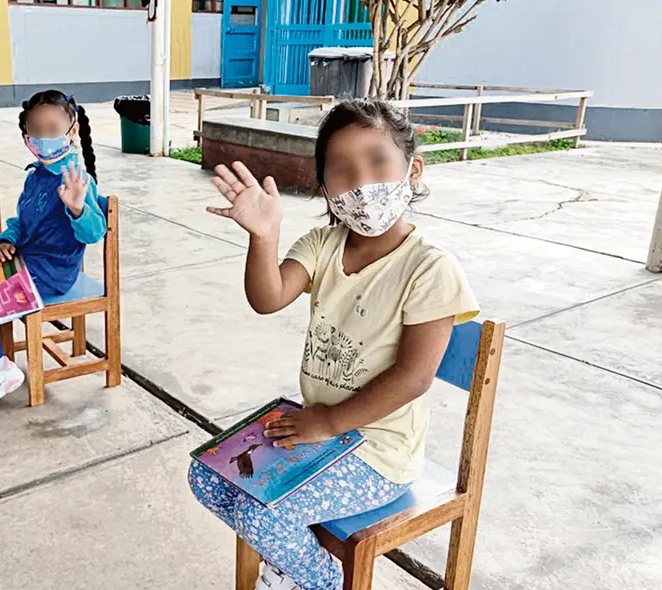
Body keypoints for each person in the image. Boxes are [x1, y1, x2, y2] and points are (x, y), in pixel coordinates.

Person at [190, 99, 479, 590]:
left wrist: (327, 422)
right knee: (207, 477)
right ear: (325, 187)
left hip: (379, 453)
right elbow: (267, 298)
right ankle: (296, 566)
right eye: (342, 169)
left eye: (378, 161)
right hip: (319, 432)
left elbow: (414, 377)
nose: (361, 181)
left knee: (262, 517)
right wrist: (264, 236)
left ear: (412, 171)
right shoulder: (322, 245)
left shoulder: (430, 268)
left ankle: (320, 581)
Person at [0, 89, 106, 412]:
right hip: (25, 260)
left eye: (53, 130)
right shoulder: (36, 175)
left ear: (72, 131)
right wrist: (5, 241)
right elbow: (20, 222)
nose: (44, 138)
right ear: (26, 136)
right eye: (36, 131)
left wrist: (78, 208)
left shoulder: (76, 179)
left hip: (52, 273)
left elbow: (95, 232)